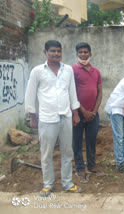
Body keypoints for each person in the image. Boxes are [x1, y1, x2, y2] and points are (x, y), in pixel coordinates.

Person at [25, 40, 82, 197]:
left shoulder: (68, 70)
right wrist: (32, 116)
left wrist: (75, 113)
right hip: (46, 118)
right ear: (45, 53)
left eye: (58, 51)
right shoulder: (37, 71)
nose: (56, 54)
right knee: (46, 153)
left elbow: (72, 92)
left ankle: (67, 183)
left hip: (66, 117)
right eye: (52, 51)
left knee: (67, 152)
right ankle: (48, 185)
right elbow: (30, 95)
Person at [72, 42, 104, 183]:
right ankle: (80, 169)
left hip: (93, 114)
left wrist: (94, 111)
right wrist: (83, 111)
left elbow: (100, 91)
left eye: (86, 52)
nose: (83, 54)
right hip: (77, 114)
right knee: (77, 142)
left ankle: (91, 166)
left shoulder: (96, 71)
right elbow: (71, 93)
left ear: (90, 53)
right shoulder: (72, 70)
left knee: (91, 141)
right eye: (80, 52)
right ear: (77, 54)